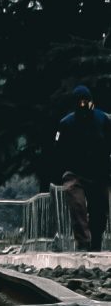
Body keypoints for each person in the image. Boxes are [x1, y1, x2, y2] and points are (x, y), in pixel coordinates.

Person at [52, 82, 111, 250]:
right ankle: (83, 244)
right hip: (75, 173)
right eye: (80, 102)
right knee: (78, 207)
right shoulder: (66, 124)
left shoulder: (104, 120)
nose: (84, 105)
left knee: (99, 212)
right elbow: (57, 151)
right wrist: (60, 174)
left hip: (99, 172)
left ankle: (96, 243)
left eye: (86, 101)